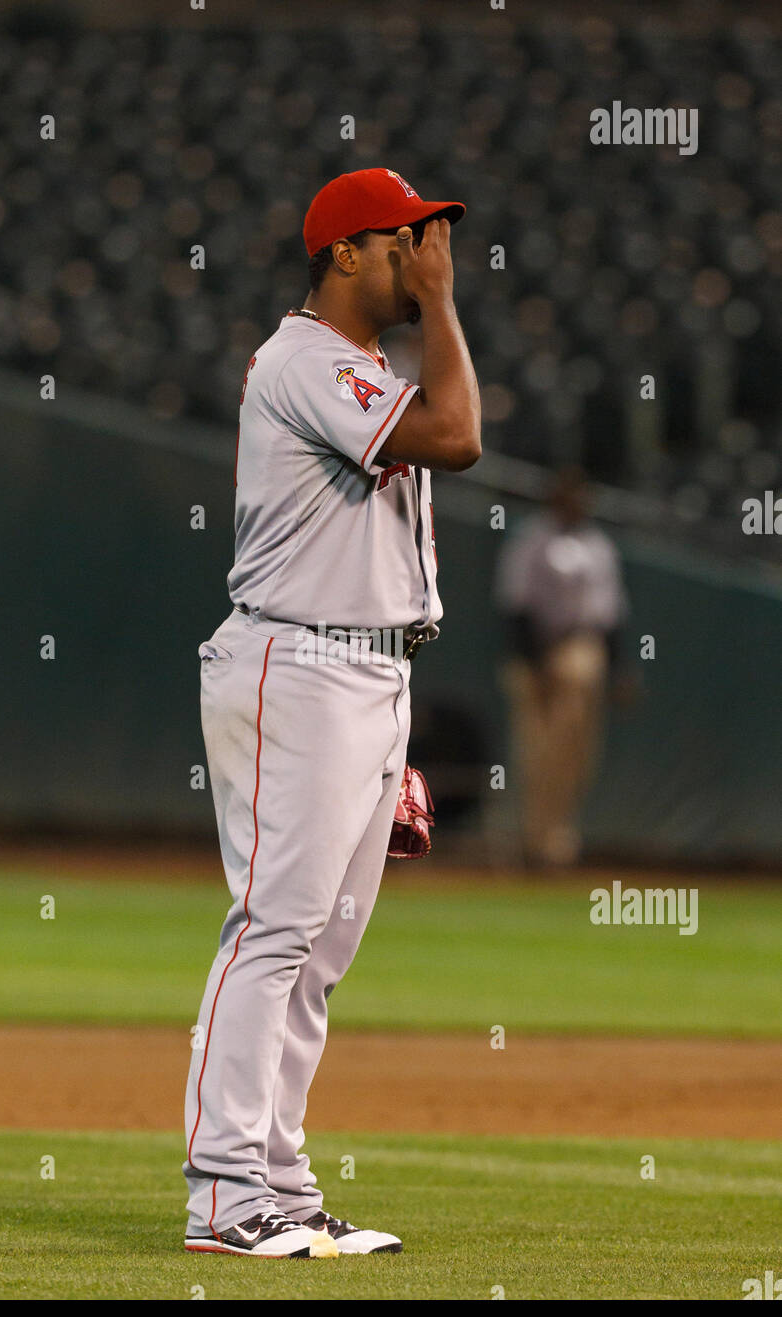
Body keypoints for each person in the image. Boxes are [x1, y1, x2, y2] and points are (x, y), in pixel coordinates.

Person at [182, 168, 481, 1258]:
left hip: (362, 670)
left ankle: (280, 1184)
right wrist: (445, 305)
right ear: (344, 253)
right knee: (270, 931)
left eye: (430, 243)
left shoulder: (357, 368)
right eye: (406, 239)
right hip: (296, 666)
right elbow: (456, 434)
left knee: (316, 952)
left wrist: (385, 699)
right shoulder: (304, 359)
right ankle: (222, 1194)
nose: (424, 257)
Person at [496, 466, 631, 869]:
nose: (576, 504)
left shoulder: (599, 545)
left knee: (576, 754)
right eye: (568, 496)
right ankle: (533, 841)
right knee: (537, 754)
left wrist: (621, 669)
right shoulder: (532, 539)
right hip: (540, 653)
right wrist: (535, 667)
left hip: (584, 650)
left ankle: (558, 839)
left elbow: (611, 614)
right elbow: (516, 605)